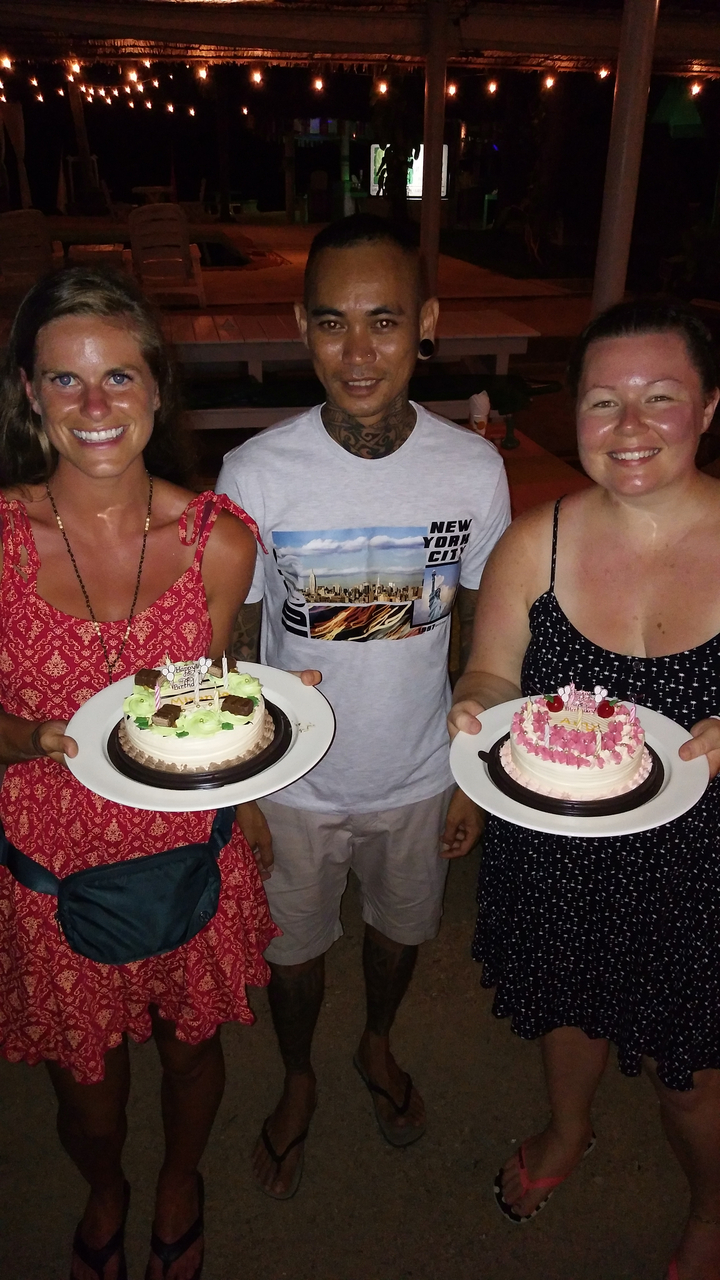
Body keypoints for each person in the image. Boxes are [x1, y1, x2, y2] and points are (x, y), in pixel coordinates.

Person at [0, 267, 313, 1280]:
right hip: (51, 868)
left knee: (190, 1048)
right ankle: (107, 1185)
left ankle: (180, 1175)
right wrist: (25, 737)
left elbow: (206, 697)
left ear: (157, 389)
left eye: (120, 377)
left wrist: (256, 756)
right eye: (65, 381)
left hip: (190, 849)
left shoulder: (217, 540)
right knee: (85, 1091)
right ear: (27, 393)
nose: (96, 407)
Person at [217, 213, 511, 1199]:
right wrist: (242, 789)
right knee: (294, 950)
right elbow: (234, 638)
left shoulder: (473, 470)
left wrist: (469, 772)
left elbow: (477, 632)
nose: (357, 351)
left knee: (400, 933)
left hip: (419, 773)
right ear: (302, 324)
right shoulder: (257, 472)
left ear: (425, 321)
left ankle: (377, 1044)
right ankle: (299, 1074)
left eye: (384, 320)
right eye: (333, 322)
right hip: (294, 783)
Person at [449, 300, 720, 1280]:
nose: (631, 427)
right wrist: (473, 709)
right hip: (559, 839)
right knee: (569, 1014)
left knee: (695, 1083)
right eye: (604, 402)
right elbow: (488, 674)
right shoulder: (536, 543)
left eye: (661, 398)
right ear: (574, 416)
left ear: (711, 407)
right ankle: (567, 1131)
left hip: (703, 863)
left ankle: (710, 1206)